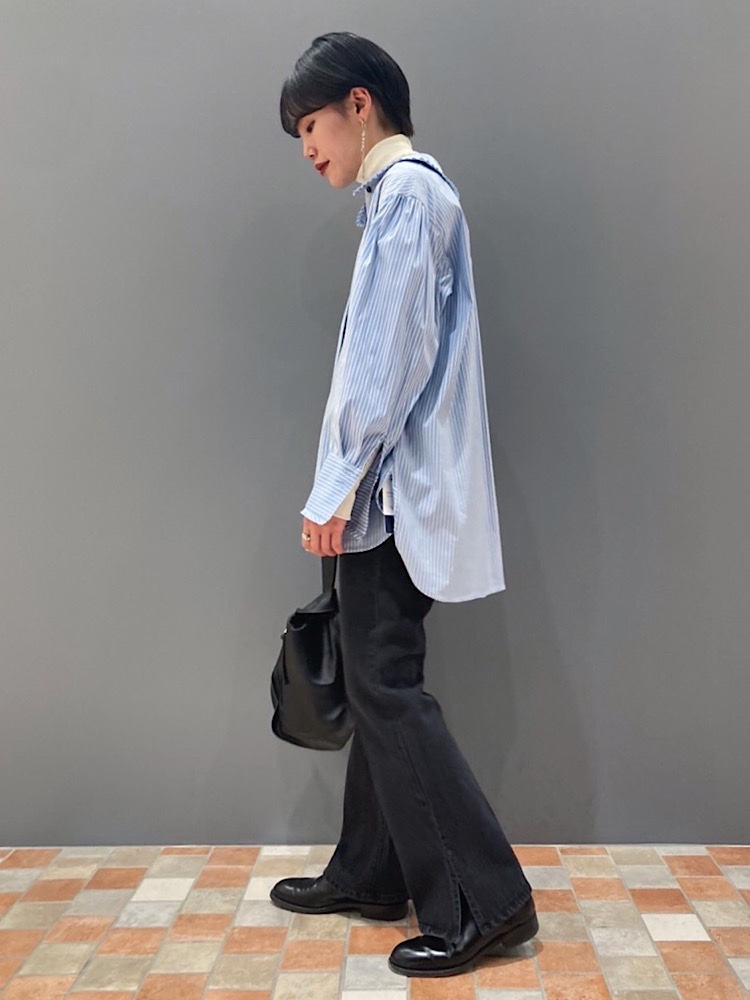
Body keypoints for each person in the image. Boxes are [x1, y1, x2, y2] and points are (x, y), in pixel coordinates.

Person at [270, 32, 538, 978]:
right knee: (380, 681)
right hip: (387, 491)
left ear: (359, 103)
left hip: (389, 491)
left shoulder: (409, 199)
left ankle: (486, 901)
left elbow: (386, 364)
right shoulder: (398, 201)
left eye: (311, 125)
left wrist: (333, 487)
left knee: (385, 684)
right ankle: (371, 870)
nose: (308, 148)